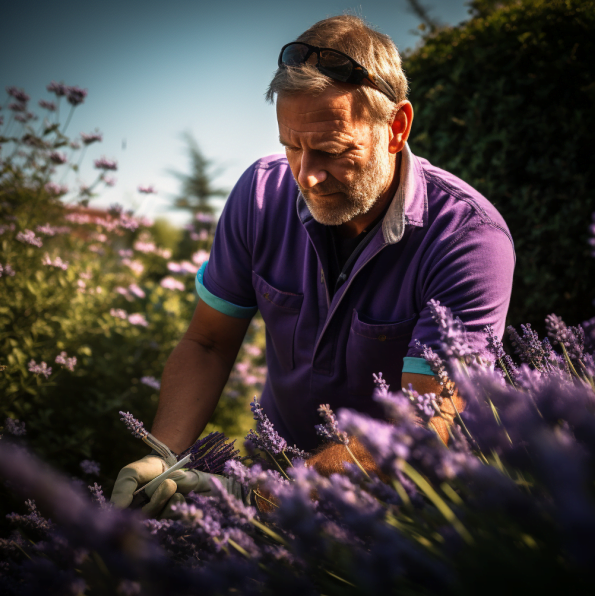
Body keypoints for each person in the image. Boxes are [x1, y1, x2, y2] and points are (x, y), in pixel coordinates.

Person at [111, 15, 514, 516]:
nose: (308, 176)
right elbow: (208, 342)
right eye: (291, 146)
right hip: (271, 470)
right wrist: (164, 458)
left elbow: (423, 422)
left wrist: (254, 494)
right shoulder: (260, 195)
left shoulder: (468, 239)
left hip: (406, 511)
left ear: (396, 127)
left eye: (330, 150)